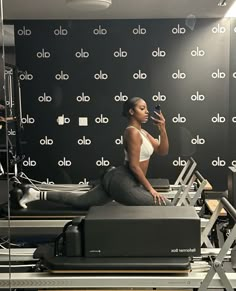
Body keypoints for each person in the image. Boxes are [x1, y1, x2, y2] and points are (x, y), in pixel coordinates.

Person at [16, 97, 171, 209]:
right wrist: (150, 189)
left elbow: (162, 151)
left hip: (119, 178)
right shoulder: (132, 133)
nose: (146, 112)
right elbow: (134, 166)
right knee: (166, 205)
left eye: (146, 109)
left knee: (81, 201)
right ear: (131, 111)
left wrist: (162, 129)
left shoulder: (142, 132)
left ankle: (35, 194)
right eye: (142, 108)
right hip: (123, 182)